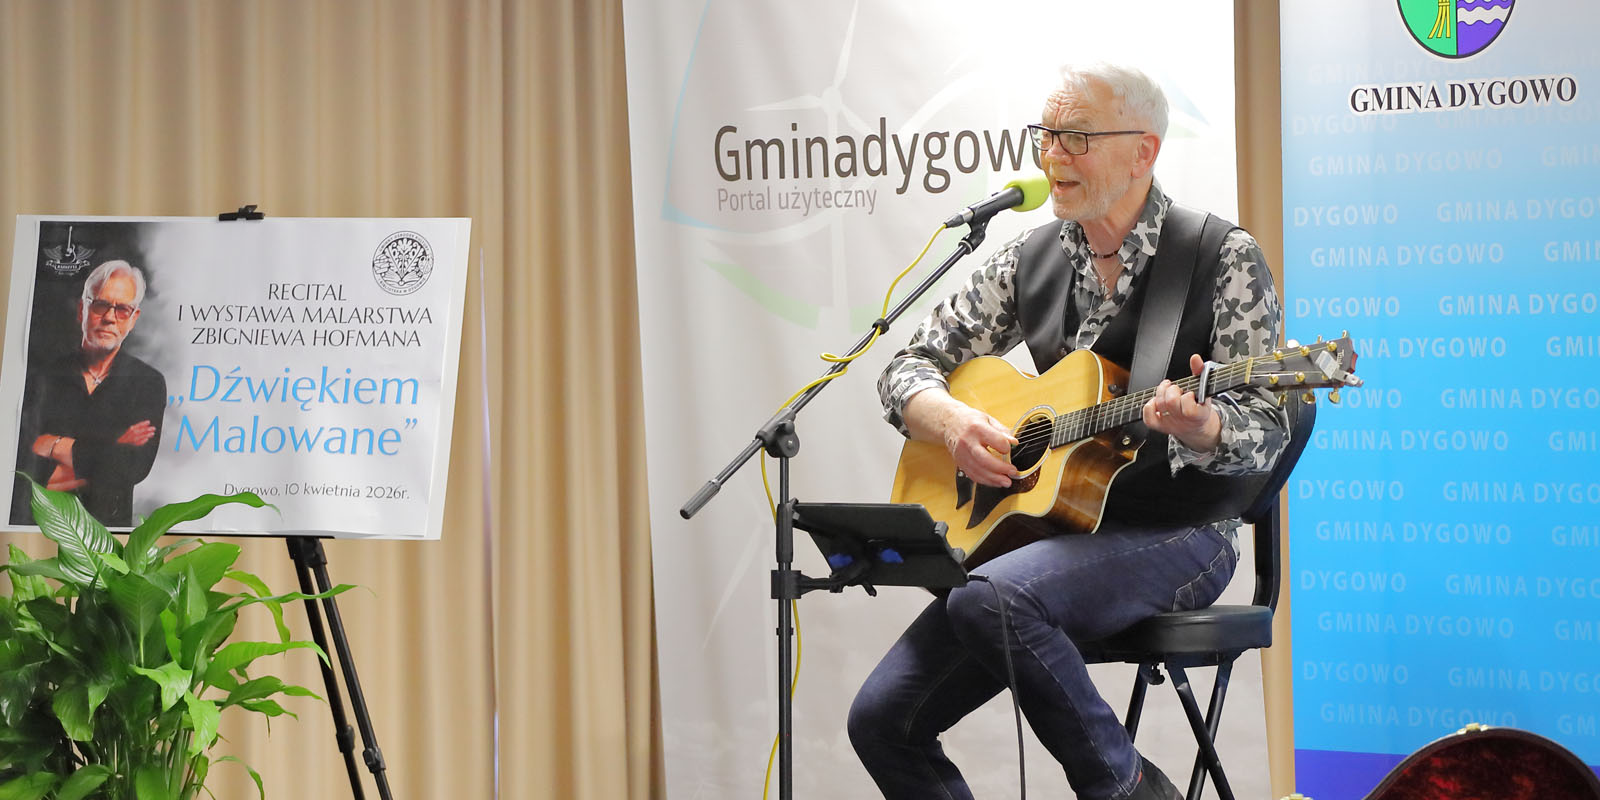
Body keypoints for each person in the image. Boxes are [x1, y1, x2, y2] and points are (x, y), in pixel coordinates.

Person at [848, 63, 1289, 800]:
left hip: (1181, 529)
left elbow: (1269, 428)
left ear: (1144, 151)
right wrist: (952, 423)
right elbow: (906, 366)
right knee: (881, 721)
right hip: (1051, 536)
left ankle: (1132, 789)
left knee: (990, 598)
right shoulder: (1029, 256)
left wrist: (1205, 426)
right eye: (1046, 135)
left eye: (1076, 137)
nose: (1052, 154)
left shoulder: (1220, 257)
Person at [11, 260, 166, 527]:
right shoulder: (41, 378)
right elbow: (23, 466)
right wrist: (113, 446)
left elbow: (133, 468)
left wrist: (55, 446)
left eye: (122, 309)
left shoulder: (148, 383)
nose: (109, 318)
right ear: (82, 309)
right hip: (37, 528)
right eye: (101, 305)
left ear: (133, 319)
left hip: (106, 534)